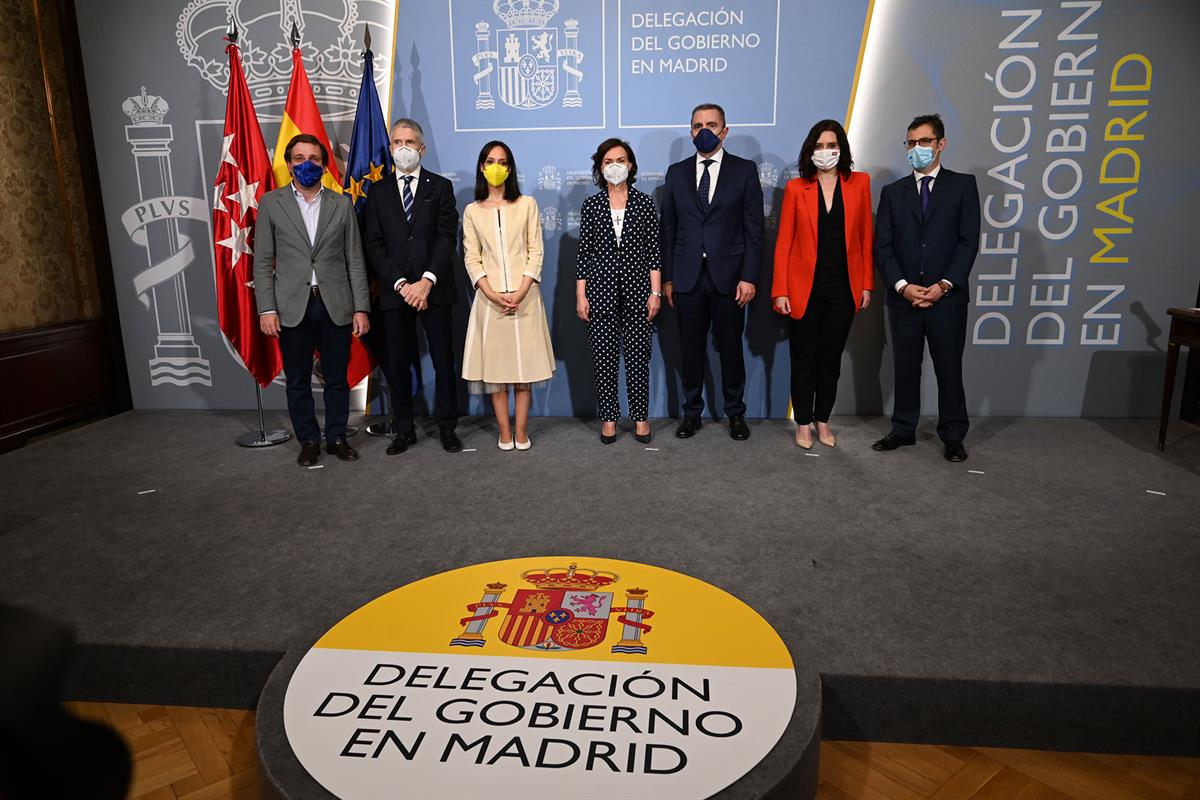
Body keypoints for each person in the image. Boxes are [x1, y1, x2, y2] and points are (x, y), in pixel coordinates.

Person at [254, 133, 370, 466]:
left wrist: (361, 307)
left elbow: (355, 260)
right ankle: (308, 439)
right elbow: (262, 261)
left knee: (337, 378)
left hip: (335, 304)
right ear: (289, 164)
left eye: (315, 159)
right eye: (300, 158)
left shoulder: (341, 203)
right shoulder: (271, 203)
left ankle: (336, 437)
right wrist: (267, 308)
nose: (307, 164)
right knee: (298, 380)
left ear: (323, 164)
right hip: (292, 306)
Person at [873, 113, 980, 462]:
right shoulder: (892, 193)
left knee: (949, 368)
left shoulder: (963, 186)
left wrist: (944, 285)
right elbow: (883, 246)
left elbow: (968, 242)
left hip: (947, 299)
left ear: (941, 144)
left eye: (924, 142)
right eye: (911, 143)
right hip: (904, 298)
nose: (917, 148)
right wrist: (903, 286)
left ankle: (952, 435)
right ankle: (903, 429)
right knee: (905, 368)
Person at [660, 102, 764, 440]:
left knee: (731, 350)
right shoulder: (676, 173)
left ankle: (735, 413)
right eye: (697, 125)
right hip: (687, 278)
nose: (703, 130)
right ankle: (692, 413)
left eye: (711, 124)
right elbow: (669, 230)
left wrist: (749, 276)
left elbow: (753, 230)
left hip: (731, 278)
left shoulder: (744, 170)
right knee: (690, 351)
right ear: (690, 131)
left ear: (724, 130)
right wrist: (669, 278)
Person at [772, 120, 874, 449]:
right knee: (803, 358)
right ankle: (802, 422)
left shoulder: (860, 183)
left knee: (831, 359)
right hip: (804, 288)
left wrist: (866, 284)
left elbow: (864, 240)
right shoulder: (795, 189)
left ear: (842, 149)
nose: (826, 152)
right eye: (819, 146)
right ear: (810, 150)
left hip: (844, 288)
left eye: (832, 145)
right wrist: (780, 290)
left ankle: (822, 419)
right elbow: (784, 243)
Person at [363, 118, 462, 455]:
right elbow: (374, 243)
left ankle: (448, 427)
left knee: (443, 360)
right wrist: (403, 284)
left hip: (434, 289)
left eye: (409, 142)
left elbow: (447, 237)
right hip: (395, 291)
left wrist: (425, 282)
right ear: (390, 148)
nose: (402, 148)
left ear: (422, 148)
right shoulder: (376, 192)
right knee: (398, 362)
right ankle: (403, 429)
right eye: (397, 142)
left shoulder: (441, 187)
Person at [461, 140, 555, 450]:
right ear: (481, 166)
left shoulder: (526, 204)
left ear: (510, 168)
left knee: (523, 372)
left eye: (502, 161)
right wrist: (489, 291)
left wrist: (522, 289)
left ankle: (522, 432)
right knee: (497, 374)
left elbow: (536, 250)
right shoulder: (472, 211)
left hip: (525, 298)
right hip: (490, 302)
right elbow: (471, 257)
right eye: (490, 160)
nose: (496, 166)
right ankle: (504, 433)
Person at [576, 138, 663, 444]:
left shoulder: (644, 203)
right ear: (600, 167)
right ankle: (609, 418)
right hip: (599, 293)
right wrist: (581, 294)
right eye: (608, 161)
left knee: (639, 358)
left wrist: (656, 293)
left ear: (631, 165)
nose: (615, 166)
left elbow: (654, 251)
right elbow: (584, 253)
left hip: (639, 292)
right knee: (604, 358)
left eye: (621, 160)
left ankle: (640, 418)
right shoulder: (592, 205)